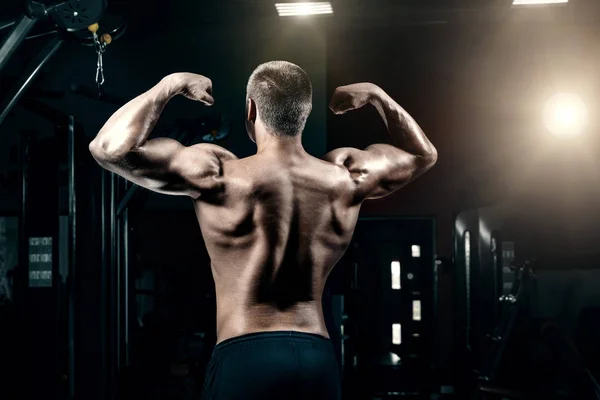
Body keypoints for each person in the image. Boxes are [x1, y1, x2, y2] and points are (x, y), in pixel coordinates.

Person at [89, 61, 437, 399]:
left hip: (245, 355)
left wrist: (170, 84)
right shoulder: (345, 176)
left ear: (251, 109)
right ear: (305, 113)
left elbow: (108, 149)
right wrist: (378, 96)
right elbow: (423, 155)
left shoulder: (217, 173)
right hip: (317, 357)